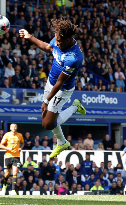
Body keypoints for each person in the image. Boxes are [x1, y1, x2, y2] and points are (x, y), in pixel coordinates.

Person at [19, 19, 86, 159]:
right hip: (51, 83)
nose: (56, 43)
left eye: (59, 41)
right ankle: (62, 142)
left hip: (62, 89)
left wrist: (47, 100)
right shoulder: (59, 37)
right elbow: (47, 47)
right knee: (46, 117)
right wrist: (30, 37)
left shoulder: (74, 58)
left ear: (68, 40)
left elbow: (60, 82)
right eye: (56, 39)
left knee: (47, 124)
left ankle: (75, 106)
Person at [0, 124, 24, 195]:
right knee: (7, 173)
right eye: (12, 127)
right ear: (10, 128)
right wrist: (8, 148)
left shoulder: (20, 135)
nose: (14, 128)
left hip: (16, 156)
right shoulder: (7, 135)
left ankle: (13, 190)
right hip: (8, 156)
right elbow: (0, 145)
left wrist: (20, 148)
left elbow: (22, 143)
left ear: (17, 128)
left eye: (15, 127)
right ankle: (4, 185)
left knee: (15, 172)